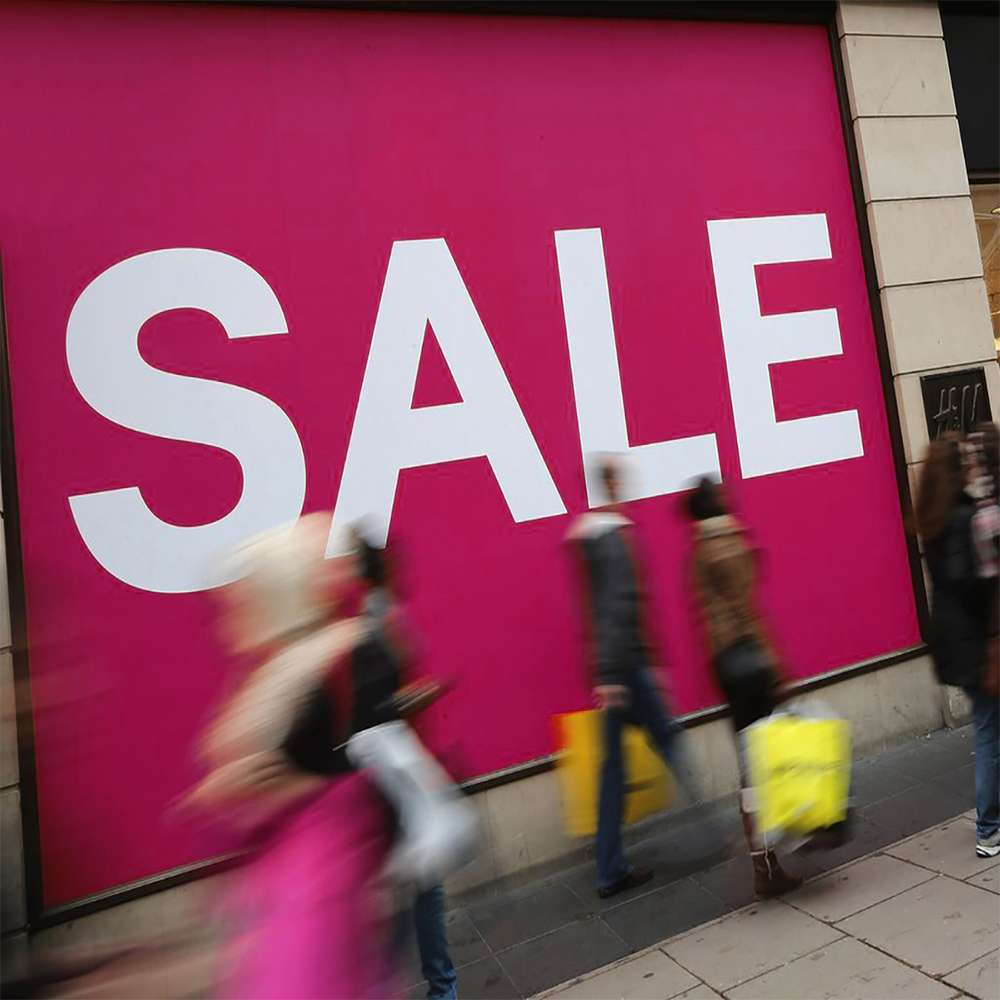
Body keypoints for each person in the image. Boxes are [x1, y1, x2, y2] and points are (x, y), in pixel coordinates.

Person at [190, 514, 394, 999]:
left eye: (242, 603)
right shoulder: (305, 665)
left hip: (307, 899)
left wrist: (234, 788)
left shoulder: (306, 671)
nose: (230, 620)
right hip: (303, 895)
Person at [568, 456, 688, 898]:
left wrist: (601, 671)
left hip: (613, 668)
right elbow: (619, 607)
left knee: (613, 769)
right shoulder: (614, 539)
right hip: (626, 668)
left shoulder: (588, 538)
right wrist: (622, 670)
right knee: (669, 742)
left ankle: (609, 868)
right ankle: (707, 832)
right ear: (613, 485)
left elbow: (595, 610)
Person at [684, 475, 802, 897]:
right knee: (767, 760)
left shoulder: (698, 549)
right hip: (750, 662)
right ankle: (770, 860)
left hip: (726, 665)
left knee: (751, 762)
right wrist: (776, 666)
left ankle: (763, 861)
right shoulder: (728, 543)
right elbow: (747, 611)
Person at [355, 533, 459, 1000]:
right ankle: (439, 988)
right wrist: (426, 692)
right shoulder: (378, 621)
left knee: (413, 883)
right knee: (419, 885)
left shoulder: (376, 616)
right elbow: (381, 706)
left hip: (398, 767)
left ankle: (430, 986)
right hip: (398, 770)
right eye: (398, 563)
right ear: (387, 570)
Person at [915, 434, 997, 859]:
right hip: (977, 643)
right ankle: (989, 829)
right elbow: (971, 583)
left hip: (954, 641)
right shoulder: (964, 517)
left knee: (988, 727)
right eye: (964, 461)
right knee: (988, 731)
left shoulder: (932, 517)